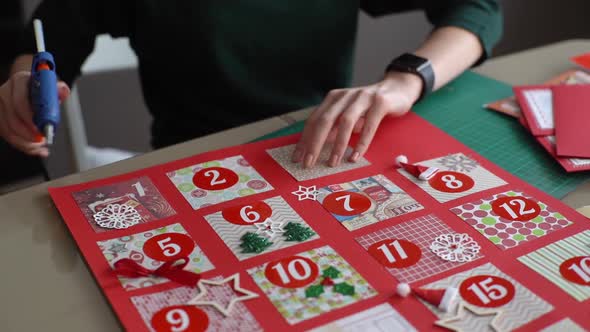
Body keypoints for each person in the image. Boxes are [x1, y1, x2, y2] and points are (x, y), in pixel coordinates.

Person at [0, 1, 502, 168]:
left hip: (321, 147)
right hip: (187, 159)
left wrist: (405, 80)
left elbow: (477, 9)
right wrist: (25, 80)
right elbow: (50, 35)